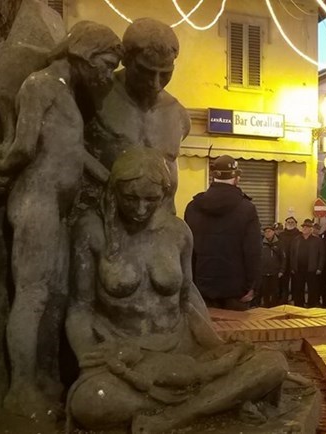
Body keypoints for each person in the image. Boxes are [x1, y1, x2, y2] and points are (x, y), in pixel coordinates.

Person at [66, 148, 286, 432]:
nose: (141, 208)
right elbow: (80, 307)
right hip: (128, 354)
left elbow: (187, 298)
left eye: (151, 199)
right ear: (114, 191)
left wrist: (217, 347)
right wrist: (88, 357)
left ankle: (174, 416)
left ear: (164, 196)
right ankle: (223, 399)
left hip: (184, 346)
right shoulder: (92, 231)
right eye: (131, 198)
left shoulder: (178, 231)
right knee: (94, 401)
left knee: (274, 363)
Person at [0, 21, 122, 415]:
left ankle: (41, 377)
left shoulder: (65, 93)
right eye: (107, 64)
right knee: (32, 296)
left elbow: (73, 153)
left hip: (56, 209)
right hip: (36, 201)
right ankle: (20, 388)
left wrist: (113, 180)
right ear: (84, 54)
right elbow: (23, 146)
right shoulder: (39, 85)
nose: (108, 75)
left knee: (53, 296)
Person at [85, 18, 191, 211]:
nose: (156, 83)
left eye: (165, 74)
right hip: (99, 217)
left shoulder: (178, 115)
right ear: (125, 59)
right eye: (146, 72)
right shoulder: (95, 97)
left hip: (158, 224)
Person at [184, 155, 261, 310]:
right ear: (236, 178)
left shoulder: (193, 207)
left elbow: (187, 250)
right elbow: (253, 251)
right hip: (236, 292)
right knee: (237, 334)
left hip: (200, 291)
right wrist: (252, 286)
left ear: (213, 177)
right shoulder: (246, 209)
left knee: (204, 333)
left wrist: (189, 285)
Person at [289, 219, 325, 307]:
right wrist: (292, 267)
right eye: (303, 227)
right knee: (298, 288)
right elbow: (292, 254)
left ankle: (311, 305)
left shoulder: (317, 240)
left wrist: (320, 267)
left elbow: (322, 255)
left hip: (311, 269)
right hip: (298, 268)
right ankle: (299, 305)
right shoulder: (296, 240)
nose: (304, 229)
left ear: (311, 229)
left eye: (307, 227)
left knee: (312, 289)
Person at [260, 225, 286, 308]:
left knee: (275, 291)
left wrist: (282, 270)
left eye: (269, 231)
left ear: (273, 232)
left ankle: (274, 306)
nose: (267, 233)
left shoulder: (279, 243)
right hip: (263, 272)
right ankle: (266, 306)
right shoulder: (261, 243)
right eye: (265, 232)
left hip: (275, 272)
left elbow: (283, 258)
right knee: (265, 291)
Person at [279, 216, 301, 304]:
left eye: (292, 222)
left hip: (295, 262)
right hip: (284, 262)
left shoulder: (299, 234)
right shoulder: (281, 235)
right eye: (288, 222)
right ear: (285, 223)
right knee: (284, 283)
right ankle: (284, 299)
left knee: (296, 282)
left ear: (296, 224)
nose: (290, 224)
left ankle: (295, 299)